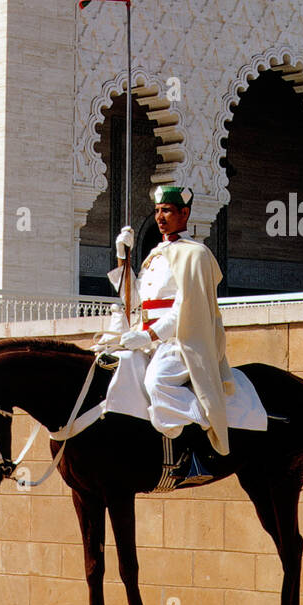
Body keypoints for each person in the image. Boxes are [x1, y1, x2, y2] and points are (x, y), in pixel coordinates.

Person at [104, 183, 234, 485]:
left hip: (182, 341)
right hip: (148, 337)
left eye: (168, 211)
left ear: (184, 213)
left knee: (157, 381)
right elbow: (134, 300)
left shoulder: (196, 255)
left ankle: (195, 453)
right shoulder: (155, 256)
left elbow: (184, 311)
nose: (160, 217)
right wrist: (123, 258)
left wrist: (150, 337)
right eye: (158, 211)